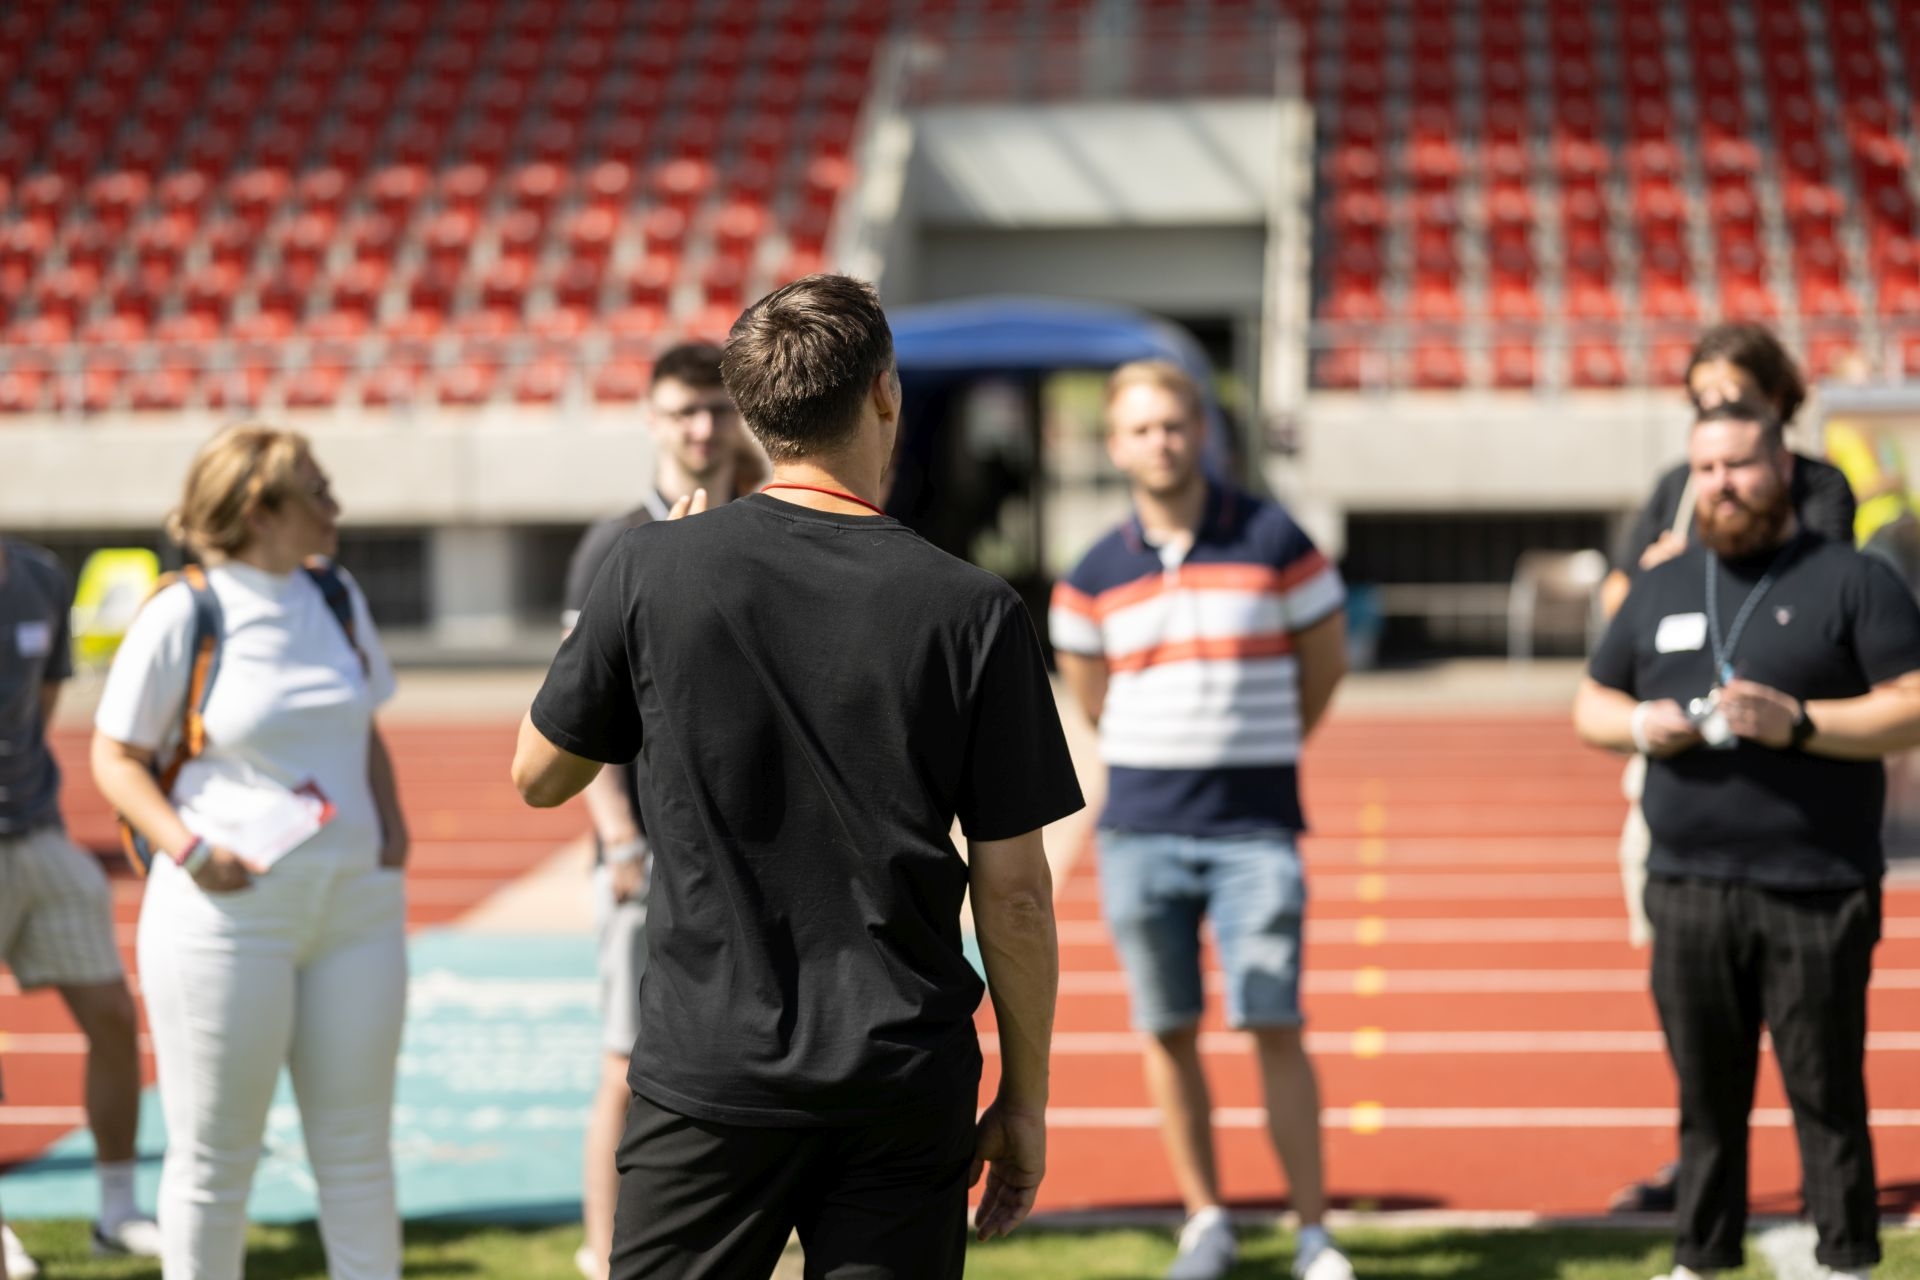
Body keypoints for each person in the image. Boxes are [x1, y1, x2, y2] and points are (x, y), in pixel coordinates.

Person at [513, 274, 1083, 1280]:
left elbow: (539, 775)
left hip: (708, 1068)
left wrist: (634, 608)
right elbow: (1017, 894)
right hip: (900, 1071)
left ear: (750, 411)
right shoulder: (975, 609)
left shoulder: (649, 566)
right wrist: (1026, 1099)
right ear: (885, 393)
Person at [1575, 398, 1920, 1280]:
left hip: (1815, 884)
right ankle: (1700, 1259)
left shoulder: (1852, 579)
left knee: (1826, 1093)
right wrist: (1642, 726)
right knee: (1705, 1099)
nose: (1721, 485)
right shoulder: (1661, 583)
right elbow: (1592, 702)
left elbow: (1913, 704)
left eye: (1739, 465)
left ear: (1784, 469)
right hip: (1687, 883)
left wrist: (1798, 723)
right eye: (1705, 469)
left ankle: (1845, 1259)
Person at [1050, 360, 1353, 1280]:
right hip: (1140, 832)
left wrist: (1259, 744)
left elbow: (1324, 665)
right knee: (1168, 1029)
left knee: (1275, 1022)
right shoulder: (1091, 573)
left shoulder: (1274, 538)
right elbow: (1092, 698)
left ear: (1203, 432)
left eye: (1175, 424)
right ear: (1116, 445)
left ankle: (1313, 1233)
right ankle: (1206, 1220)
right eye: (1142, 429)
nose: (1162, 443)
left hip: (1256, 830)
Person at [90, 425, 408, 1280]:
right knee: (214, 1158)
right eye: (318, 490)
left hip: (356, 909)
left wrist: (391, 829)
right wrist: (192, 851)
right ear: (261, 511)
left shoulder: (335, 592)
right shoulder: (184, 610)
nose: (336, 505)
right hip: (224, 917)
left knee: (358, 1150)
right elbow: (115, 758)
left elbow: (363, 724)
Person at [1600, 324, 1858, 1216]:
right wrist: (1652, 580)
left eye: (1733, 393)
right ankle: (1701, 1163)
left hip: (1790, 799)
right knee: (1690, 993)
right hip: (1682, 782)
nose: (1715, 410)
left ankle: (1828, 1186)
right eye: (1702, 396)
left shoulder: (1817, 485)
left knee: (1812, 1021)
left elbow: (1808, 584)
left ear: (1777, 400)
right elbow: (1619, 609)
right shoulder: (1674, 487)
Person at [557, 340, 757, 1280]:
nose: (702, 427)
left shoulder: (764, 520)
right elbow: (575, 710)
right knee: (626, 1061)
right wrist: (621, 840)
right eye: (684, 410)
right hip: (650, 853)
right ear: (652, 418)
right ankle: (603, 1250)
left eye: (717, 407)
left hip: (749, 854)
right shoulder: (615, 545)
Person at [1, 534, 164, 1273]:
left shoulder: (39, 575)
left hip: (40, 833)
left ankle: (118, 1210)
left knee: (112, 1015)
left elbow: (40, 704)